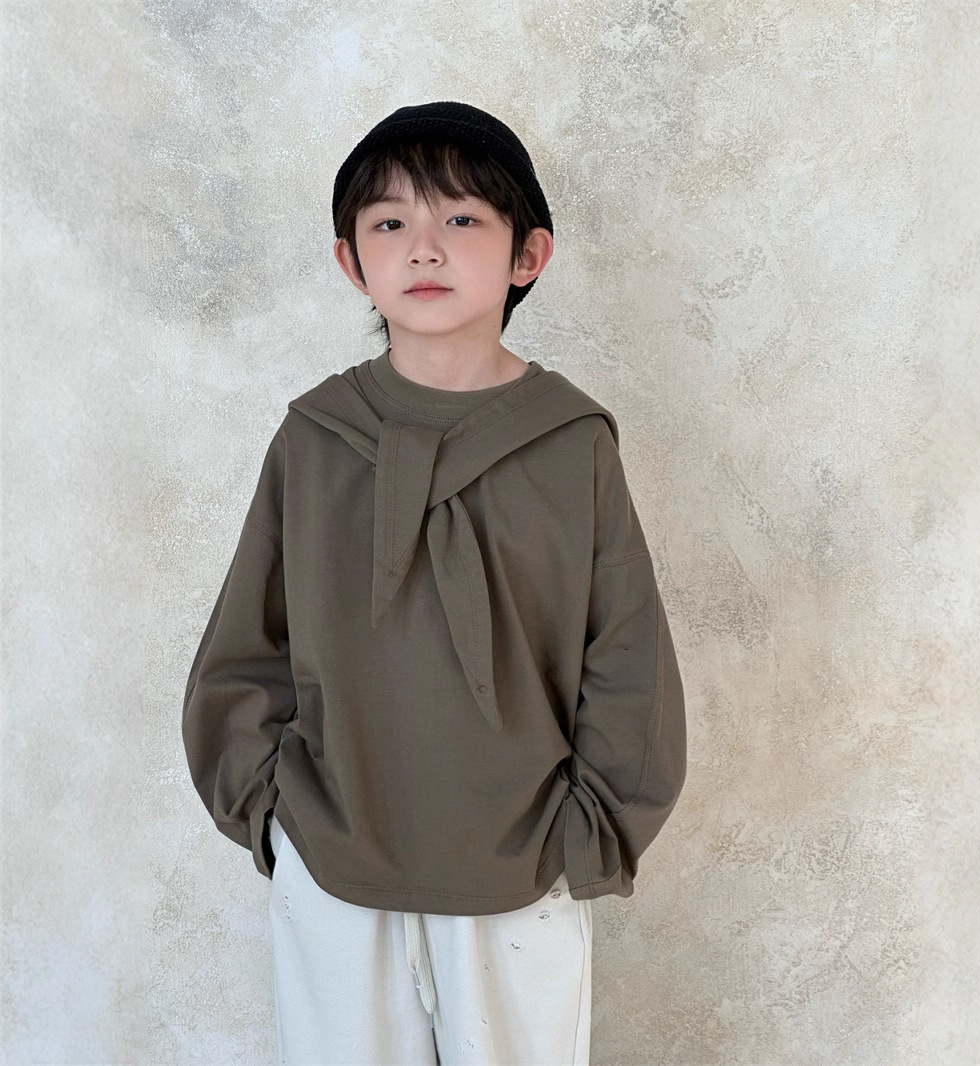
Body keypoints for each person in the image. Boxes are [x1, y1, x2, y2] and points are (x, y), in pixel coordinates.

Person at [181, 100, 687, 1066]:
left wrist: (585, 835)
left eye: (460, 218)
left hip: (523, 871)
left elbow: (627, 656)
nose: (424, 247)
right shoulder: (314, 439)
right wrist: (276, 818)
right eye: (389, 223)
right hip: (334, 863)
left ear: (527, 254)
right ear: (351, 261)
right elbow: (245, 647)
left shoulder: (572, 443)